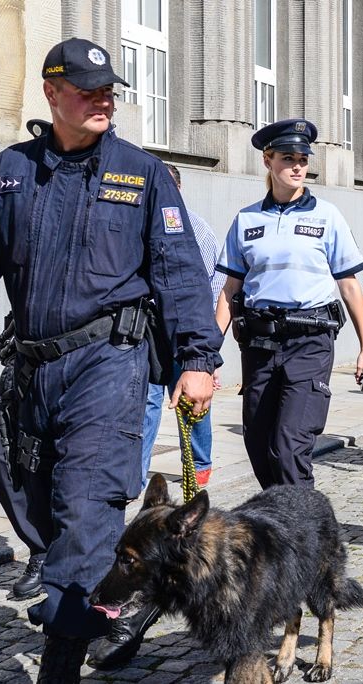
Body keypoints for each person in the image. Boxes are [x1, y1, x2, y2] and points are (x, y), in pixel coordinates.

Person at [0, 38, 222, 681]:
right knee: (10, 469)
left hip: (110, 364)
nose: (103, 98)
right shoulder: (10, 172)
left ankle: (62, 658)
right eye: (87, 89)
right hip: (31, 367)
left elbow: (181, 274)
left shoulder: (144, 173)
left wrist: (198, 358)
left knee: (86, 505)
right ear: (52, 94)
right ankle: (102, 594)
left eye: (109, 89)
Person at [215, 118, 363, 490]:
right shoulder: (247, 219)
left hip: (310, 342)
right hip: (259, 345)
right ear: (268, 160)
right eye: (289, 158)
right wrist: (206, 354)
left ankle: (304, 537)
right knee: (258, 445)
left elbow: (350, 287)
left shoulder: (327, 216)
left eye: (303, 158)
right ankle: (280, 527)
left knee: (289, 447)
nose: (298, 166)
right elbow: (229, 290)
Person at [140, 164, 227, 490]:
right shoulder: (140, 225)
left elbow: (211, 288)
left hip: (185, 335)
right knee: (146, 404)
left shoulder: (197, 230)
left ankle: (199, 465)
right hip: (147, 333)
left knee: (192, 400)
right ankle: (137, 470)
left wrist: (207, 354)